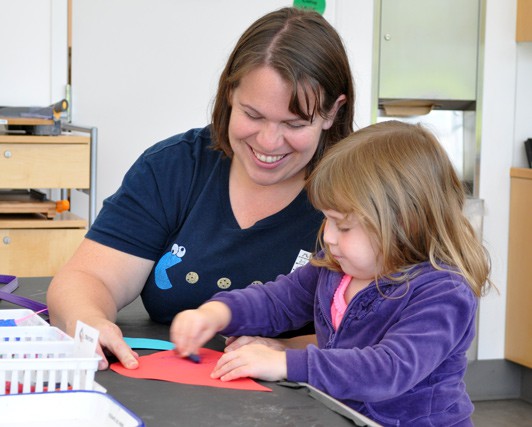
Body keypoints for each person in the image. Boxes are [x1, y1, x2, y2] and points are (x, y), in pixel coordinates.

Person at [47, 6, 355, 370]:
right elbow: (86, 278)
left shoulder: (360, 196)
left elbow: (386, 334)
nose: (270, 142)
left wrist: (288, 351)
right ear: (229, 95)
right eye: (253, 115)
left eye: (295, 123)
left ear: (333, 112)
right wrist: (90, 322)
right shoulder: (174, 167)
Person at [171, 120, 494, 426]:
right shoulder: (336, 265)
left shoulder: (443, 293)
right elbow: (278, 300)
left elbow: (388, 370)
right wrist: (217, 312)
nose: (328, 236)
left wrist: (285, 363)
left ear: (404, 223)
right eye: (327, 219)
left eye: (345, 226)